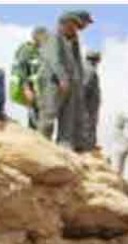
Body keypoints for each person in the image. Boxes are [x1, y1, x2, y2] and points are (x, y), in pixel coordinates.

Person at [36, 11, 84, 148]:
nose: (75, 29)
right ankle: (41, 146)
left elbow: (76, 64)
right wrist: (62, 78)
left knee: (67, 119)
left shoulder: (72, 41)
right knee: (49, 116)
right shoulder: (54, 37)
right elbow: (54, 60)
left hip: (69, 84)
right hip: (54, 82)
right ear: (65, 23)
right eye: (73, 25)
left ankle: (64, 147)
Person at [9, 26, 47, 129]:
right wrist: (26, 89)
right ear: (38, 36)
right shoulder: (26, 49)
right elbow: (22, 69)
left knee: (38, 116)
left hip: (36, 90)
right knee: (34, 118)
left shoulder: (38, 51)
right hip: (28, 89)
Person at [78, 50, 100, 152]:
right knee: (87, 130)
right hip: (87, 108)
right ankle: (86, 151)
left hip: (86, 107)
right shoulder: (90, 70)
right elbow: (84, 88)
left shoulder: (83, 68)